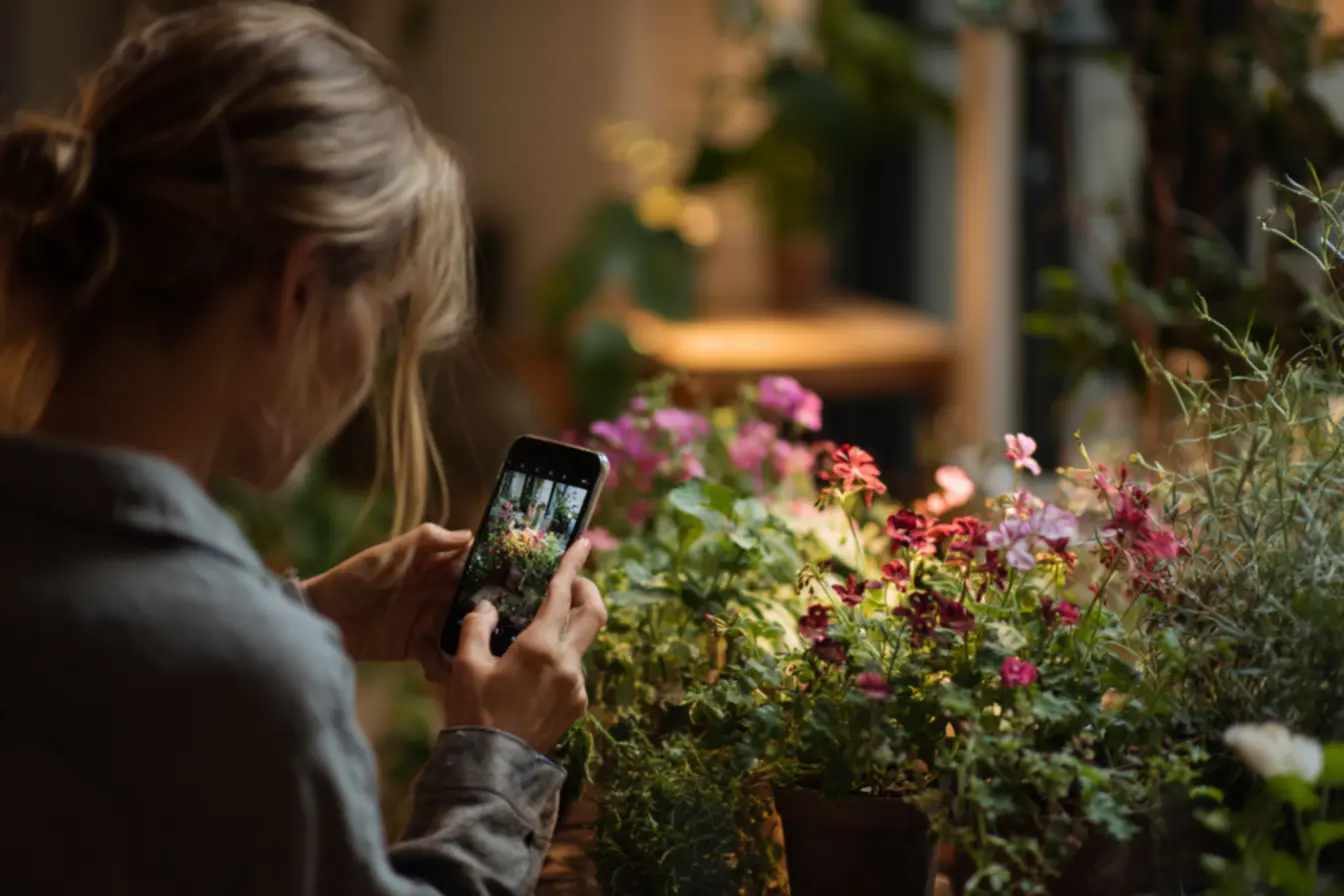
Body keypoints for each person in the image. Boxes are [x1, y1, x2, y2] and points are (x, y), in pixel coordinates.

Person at [0, 3, 606, 894]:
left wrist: (299, 612)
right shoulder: (246, 675)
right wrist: (498, 755)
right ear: (297, 289)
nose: (370, 363)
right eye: (384, 313)